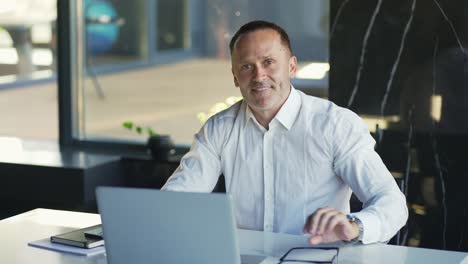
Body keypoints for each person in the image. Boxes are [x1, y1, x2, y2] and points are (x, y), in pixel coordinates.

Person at [162, 20, 408, 245]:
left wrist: (354, 226)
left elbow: (392, 203)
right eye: (247, 66)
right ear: (236, 78)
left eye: (268, 62)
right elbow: (175, 202)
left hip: (317, 259)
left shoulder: (334, 124)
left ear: (291, 66)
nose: (259, 76)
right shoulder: (219, 129)